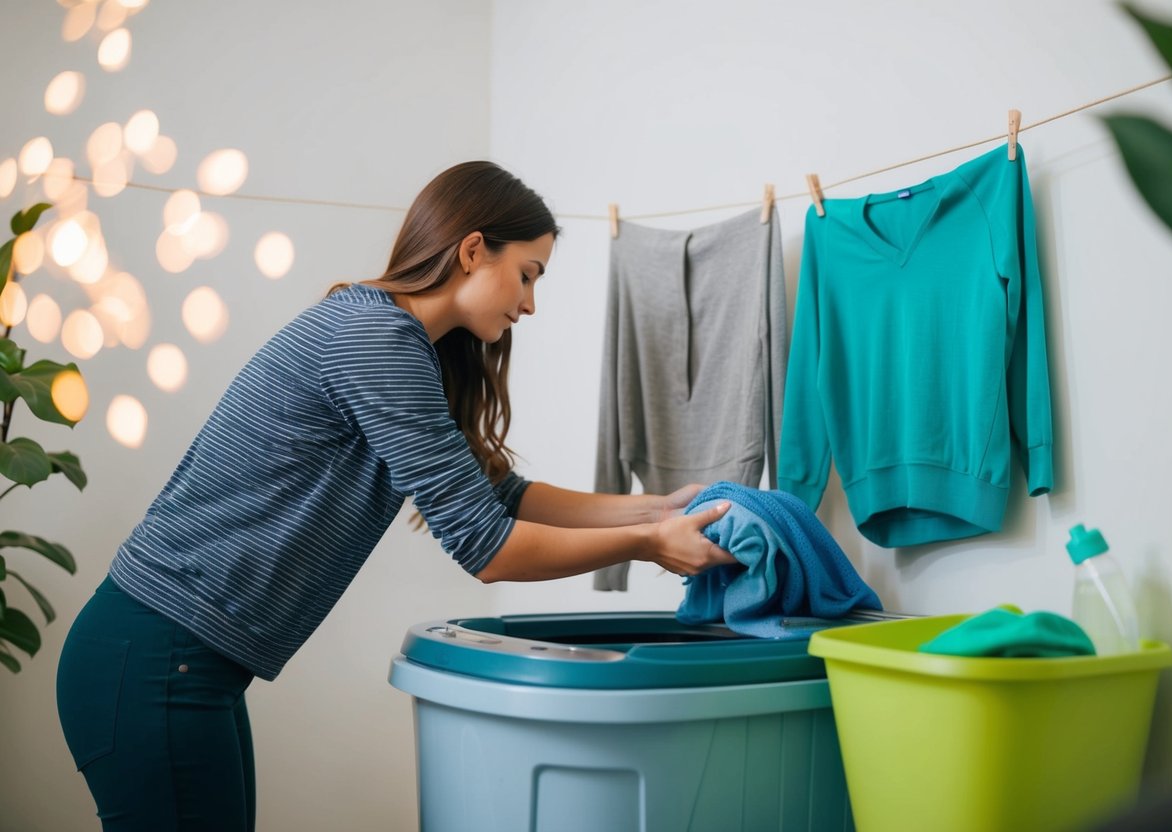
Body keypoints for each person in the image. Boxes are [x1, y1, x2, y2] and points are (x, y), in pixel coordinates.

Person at [55, 161, 735, 831]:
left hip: (177, 660)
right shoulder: (374, 337)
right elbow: (488, 549)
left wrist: (657, 509)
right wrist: (648, 543)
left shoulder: (395, 341)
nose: (530, 302)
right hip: (153, 656)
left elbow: (502, 496)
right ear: (473, 250)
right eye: (527, 275)